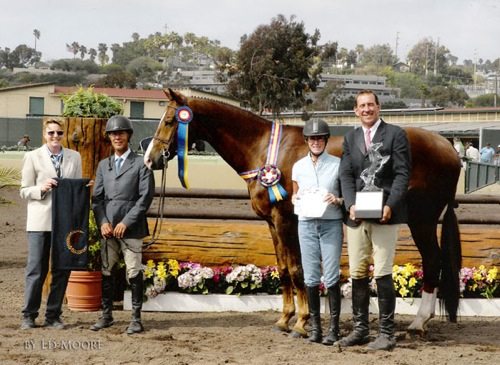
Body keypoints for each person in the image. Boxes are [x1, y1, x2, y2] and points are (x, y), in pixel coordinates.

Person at [338, 90, 411, 351]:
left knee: (382, 271)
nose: (367, 109)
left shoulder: (395, 134)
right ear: (356, 110)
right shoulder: (350, 138)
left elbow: (403, 174)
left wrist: (391, 205)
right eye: (362, 106)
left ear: (379, 107)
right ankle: (360, 329)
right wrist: (350, 205)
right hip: (357, 216)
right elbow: (345, 176)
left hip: (384, 215)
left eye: (371, 104)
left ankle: (386, 333)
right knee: (357, 272)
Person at [90, 115, 154, 335]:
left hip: (131, 228)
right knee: (107, 271)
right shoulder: (103, 165)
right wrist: (103, 222)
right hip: (108, 230)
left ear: (128, 135)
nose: (117, 137)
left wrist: (126, 222)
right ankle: (106, 315)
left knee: (134, 271)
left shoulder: (141, 163)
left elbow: (144, 198)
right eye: (113, 133)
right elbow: (97, 199)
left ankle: (136, 318)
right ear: (109, 137)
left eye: (121, 133)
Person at [19, 119, 82, 330]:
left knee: (62, 269)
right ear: (45, 134)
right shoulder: (32, 156)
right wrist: (41, 188)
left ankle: (53, 315)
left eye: (59, 133)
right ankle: (29, 315)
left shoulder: (75, 157)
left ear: (64, 134)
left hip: (65, 222)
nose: (55, 136)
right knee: (36, 269)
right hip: (40, 221)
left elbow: (76, 188)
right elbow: (24, 190)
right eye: (51, 133)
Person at [291, 118, 344, 345]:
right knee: (311, 275)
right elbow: (295, 193)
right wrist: (294, 198)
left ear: (325, 140)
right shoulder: (298, 166)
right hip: (306, 224)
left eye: (320, 138)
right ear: (307, 140)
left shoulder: (337, 164)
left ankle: (334, 329)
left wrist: (337, 199)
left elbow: (345, 196)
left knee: (331, 274)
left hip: (331, 223)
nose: (316, 142)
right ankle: (315, 329)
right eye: (312, 138)